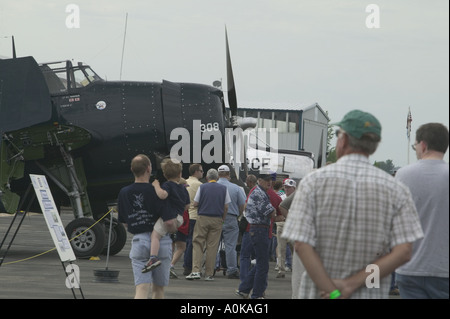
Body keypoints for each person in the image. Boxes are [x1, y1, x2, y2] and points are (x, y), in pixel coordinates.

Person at [282, 109, 424, 299]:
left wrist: (333, 291)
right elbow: (405, 251)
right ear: (373, 146)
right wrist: (350, 285)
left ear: (344, 140)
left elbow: (301, 244)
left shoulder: (313, 182)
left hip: (320, 291)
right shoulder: (396, 189)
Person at [395, 123, 449, 299]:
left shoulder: (403, 175)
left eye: (415, 145)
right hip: (444, 268)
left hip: (410, 267)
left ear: (423, 145)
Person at [117, 154, 176, 299]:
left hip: (139, 241)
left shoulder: (124, 193)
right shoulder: (158, 192)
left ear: (132, 169)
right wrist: (174, 229)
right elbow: (168, 222)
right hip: (161, 242)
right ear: (149, 169)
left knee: (142, 289)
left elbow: (124, 221)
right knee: (158, 290)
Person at [142, 159, 190, 273]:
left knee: (155, 236)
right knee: (168, 238)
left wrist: (156, 186)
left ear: (164, 174)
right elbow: (187, 206)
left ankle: (153, 258)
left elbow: (163, 195)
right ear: (180, 174)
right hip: (179, 218)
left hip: (169, 217)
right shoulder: (183, 189)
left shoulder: (167, 185)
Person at [236, 172, 277, 299]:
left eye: (270, 179)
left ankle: (244, 289)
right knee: (263, 265)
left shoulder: (259, 192)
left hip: (257, 229)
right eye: (266, 179)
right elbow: (271, 212)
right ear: (259, 180)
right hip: (260, 229)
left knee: (261, 262)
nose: (269, 182)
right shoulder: (259, 193)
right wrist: (274, 213)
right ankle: (257, 294)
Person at [186, 168, 230, 281]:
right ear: (217, 178)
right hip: (217, 219)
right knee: (212, 247)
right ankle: (209, 273)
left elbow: (195, 203)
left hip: (203, 218)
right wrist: (223, 219)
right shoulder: (224, 189)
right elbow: (226, 207)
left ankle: (196, 270)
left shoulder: (203, 187)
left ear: (207, 178)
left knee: (198, 243)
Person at [217, 164, 246, 279]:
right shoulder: (236, 188)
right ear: (229, 174)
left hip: (215, 218)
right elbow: (242, 205)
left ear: (218, 174)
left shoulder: (212, 186)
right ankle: (232, 270)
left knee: (213, 244)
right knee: (230, 246)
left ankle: (211, 267)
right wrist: (237, 215)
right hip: (231, 218)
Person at [183, 164, 203, 275]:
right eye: (201, 171)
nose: (202, 173)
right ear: (196, 172)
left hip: (185, 215)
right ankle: (188, 265)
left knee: (186, 241)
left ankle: (186, 263)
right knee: (193, 241)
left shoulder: (185, 183)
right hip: (195, 216)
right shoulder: (199, 185)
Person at [169, 178, 190, 279]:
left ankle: (167, 265)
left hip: (170, 221)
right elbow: (187, 207)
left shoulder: (170, 194)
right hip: (180, 224)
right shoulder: (183, 198)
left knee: (171, 245)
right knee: (182, 247)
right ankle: (171, 266)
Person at [275, 178, 296, 278]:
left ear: (294, 188)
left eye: (289, 188)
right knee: (281, 247)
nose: (287, 189)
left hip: (292, 224)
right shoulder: (281, 197)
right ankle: (281, 269)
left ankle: (295, 267)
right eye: (285, 187)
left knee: (294, 248)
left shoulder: (296, 198)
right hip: (282, 223)